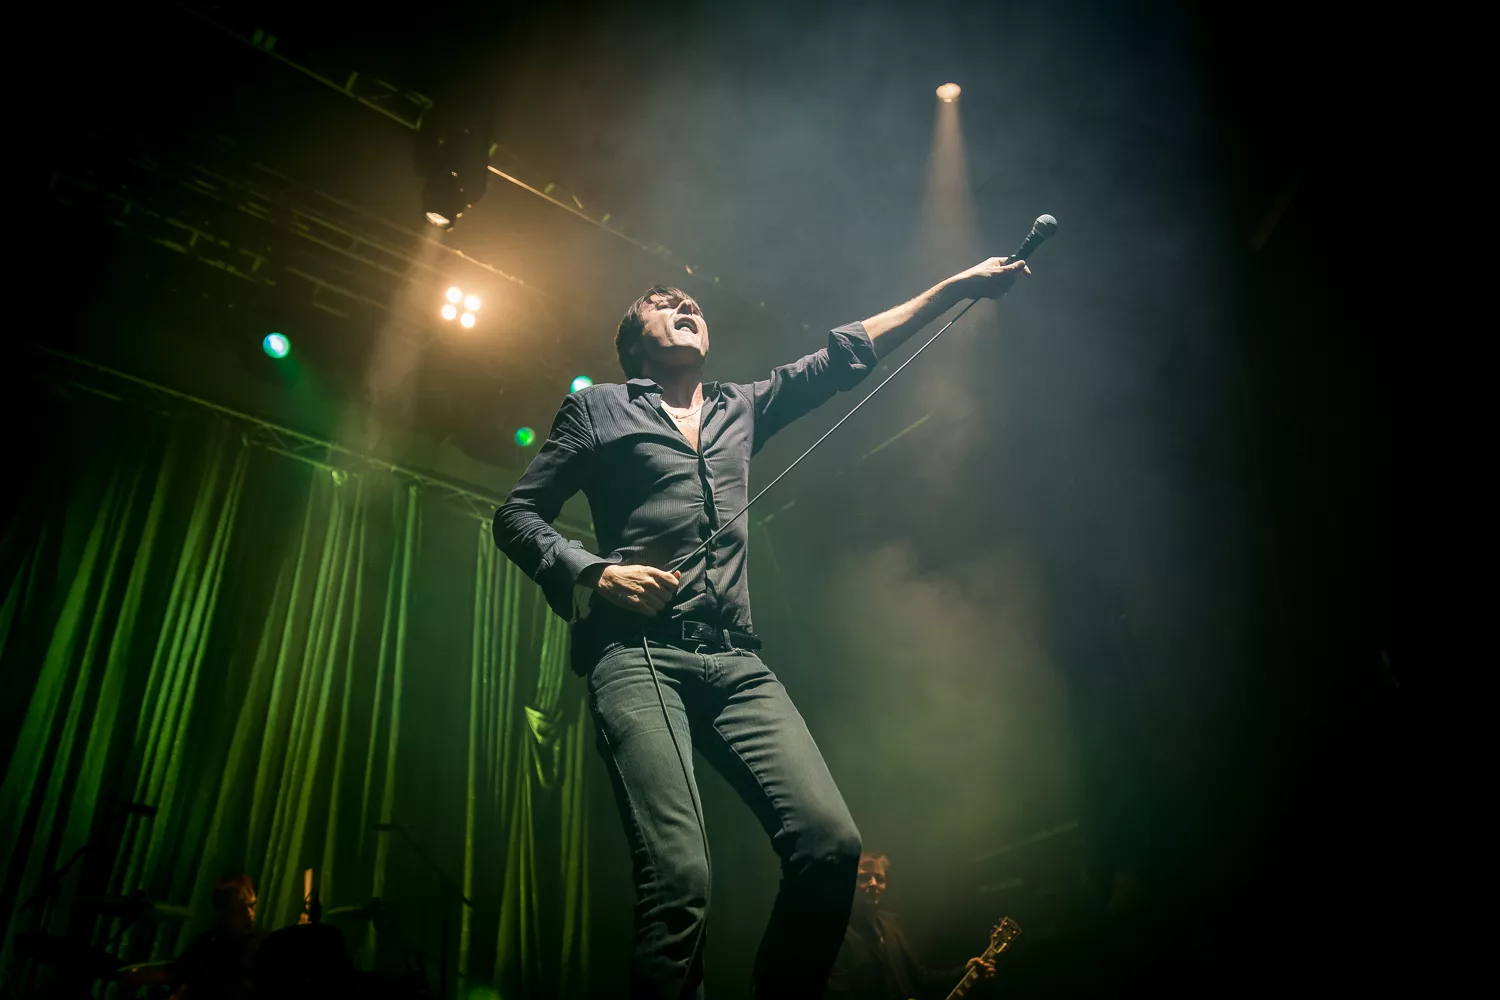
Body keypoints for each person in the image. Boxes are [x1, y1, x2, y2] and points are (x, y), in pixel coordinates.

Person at [493, 256, 1030, 1000]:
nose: (685, 305)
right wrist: (596, 572)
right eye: (662, 303)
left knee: (830, 846)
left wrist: (956, 287)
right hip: (639, 657)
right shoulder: (600, 410)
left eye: (692, 302)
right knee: (679, 878)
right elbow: (516, 516)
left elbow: (844, 352)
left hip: (737, 665)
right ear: (634, 340)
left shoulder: (740, 405)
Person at [825, 853, 997, 1000]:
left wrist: (964, 972)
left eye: (880, 879)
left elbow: (919, 977)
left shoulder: (892, 924)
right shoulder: (837, 933)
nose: (874, 884)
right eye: (864, 878)